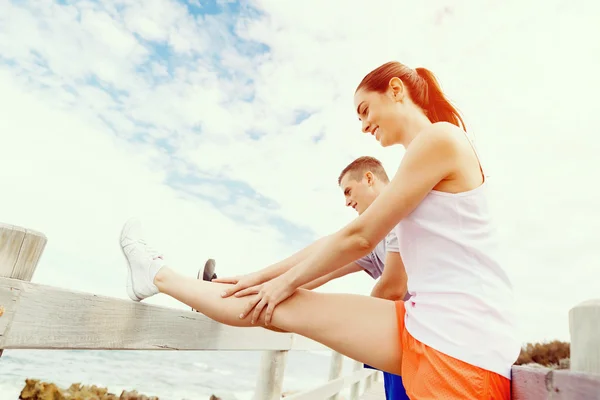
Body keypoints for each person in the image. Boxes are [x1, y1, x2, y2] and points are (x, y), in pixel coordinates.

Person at [120, 61, 520, 399]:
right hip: (430, 326)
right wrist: (260, 277)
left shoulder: (441, 139)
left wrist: (279, 284)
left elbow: (360, 237)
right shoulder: (420, 159)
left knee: (273, 302)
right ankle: (154, 274)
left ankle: (156, 274)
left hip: (462, 347)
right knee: (272, 305)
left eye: (365, 110)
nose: (363, 125)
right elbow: (334, 244)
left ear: (396, 90)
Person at [209, 156, 410, 399]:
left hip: (419, 338)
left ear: (369, 178)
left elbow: (392, 289)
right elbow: (317, 272)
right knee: (282, 305)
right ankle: (219, 294)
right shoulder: (375, 239)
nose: (346, 202)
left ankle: (215, 297)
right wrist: (260, 286)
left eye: (348, 191)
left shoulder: (402, 215)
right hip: (399, 335)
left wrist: (353, 325)